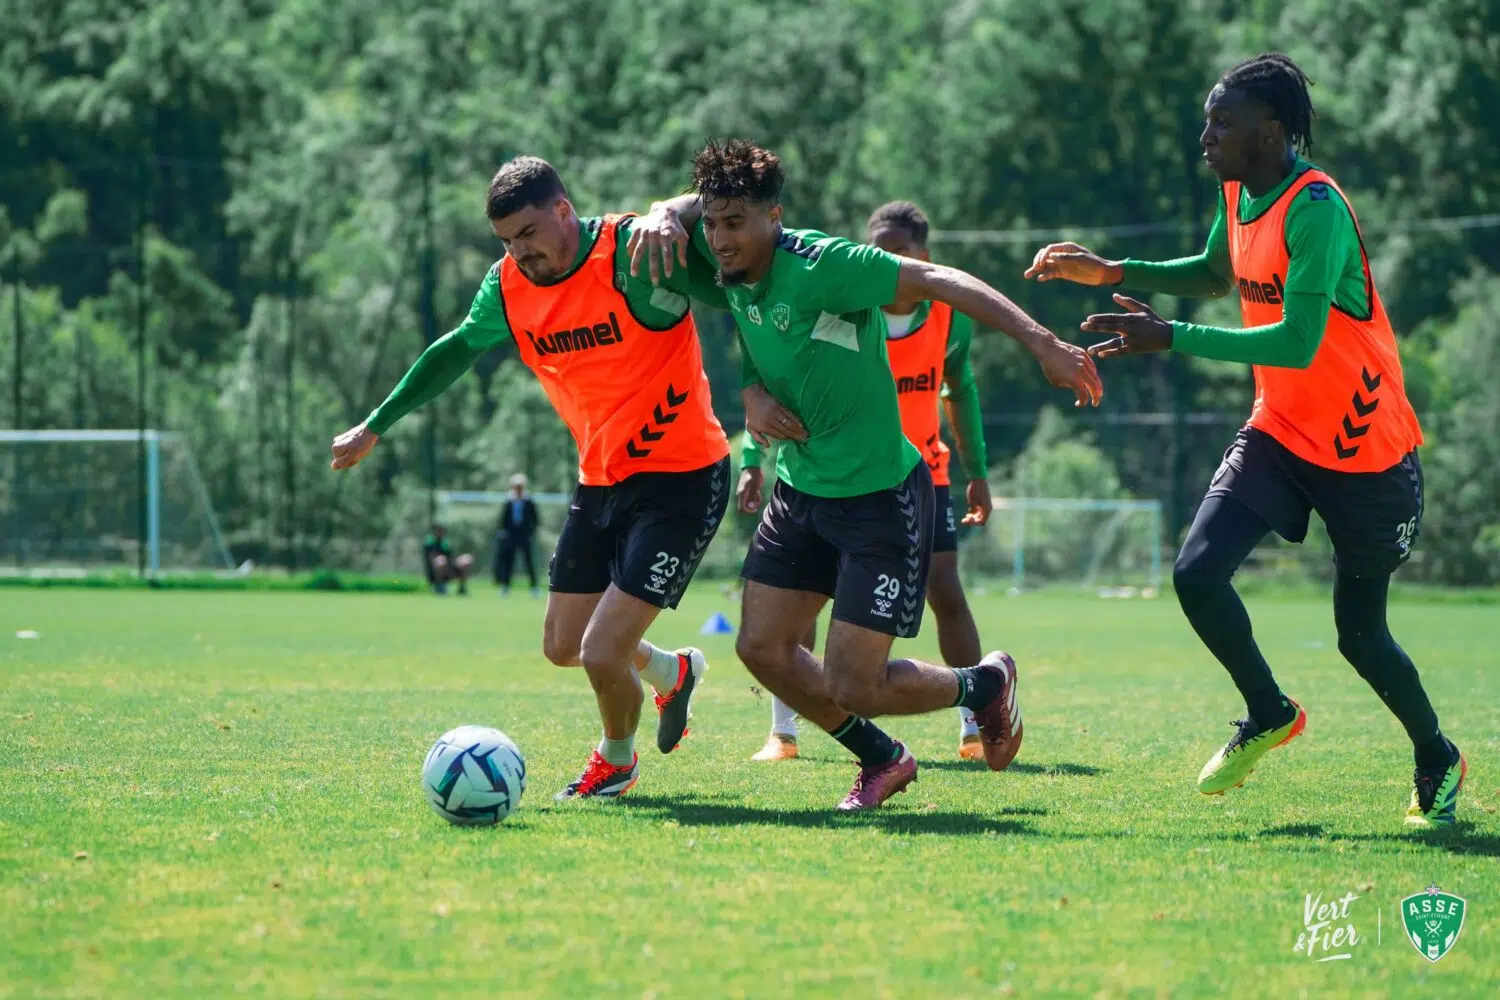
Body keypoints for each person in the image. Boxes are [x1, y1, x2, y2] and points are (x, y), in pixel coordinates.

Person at [1025, 53, 1464, 828]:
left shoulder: (1317, 206)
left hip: (1367, 450)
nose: (1206, 137)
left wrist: (1171, 339)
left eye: (1221, 124)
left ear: (1270, 132)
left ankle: (1436, 753)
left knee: (1361, 639)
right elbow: (1214, 271)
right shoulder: (1236, 190)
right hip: (1281, 431)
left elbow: (1296, 341)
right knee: (1197, 574)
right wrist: (1113, 270)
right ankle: (1268, 710)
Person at [631, 139, 1101, 810]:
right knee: (762, 648)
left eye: (735, 222)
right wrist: (750, 392)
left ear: (775, 217)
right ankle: (882, 758)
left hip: (878, 497)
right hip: (799, 491)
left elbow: (942, 282)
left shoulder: (827, 265)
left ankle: (985, 686)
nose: (718, 238)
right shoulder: (724, 261)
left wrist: (1043, 344)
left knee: (858, 684)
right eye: (710, 223)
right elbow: (742, 318)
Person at [332, 156, 733, 801]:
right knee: (563, 644)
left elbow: (733, 245)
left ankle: (617, 761)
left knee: (602, 652)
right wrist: (376, 424)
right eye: (506, 241)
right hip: (600, 479)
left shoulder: (633, 251)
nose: (519, 252)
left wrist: (670, 211)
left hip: (682, 476)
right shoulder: (507, 288)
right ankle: (671, 669)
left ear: (564, 212)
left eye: (527, 234)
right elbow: (457, 349)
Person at [740, 201, 996, 763]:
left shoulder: (947, 315)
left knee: (945, 592)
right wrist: (750, 458)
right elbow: (773, 369)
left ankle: (976, 718)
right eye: (877, 249)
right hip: (830, 475)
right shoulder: (842, 296)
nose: (885, 260)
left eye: (898, 252)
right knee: (795, 607)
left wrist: (977, 470)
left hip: (917, 473)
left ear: (922, 257)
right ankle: (783, 731)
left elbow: (961, 390)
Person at [494, 473, 540, 597]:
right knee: (508, 561)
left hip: (524, 535)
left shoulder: (529, 501)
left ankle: (534, 587)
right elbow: (503, 519)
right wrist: (504, 533)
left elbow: (535, 519)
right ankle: (505, 586)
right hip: (511, 535)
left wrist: (530, 533)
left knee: (528, 561)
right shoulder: (509, 501)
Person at [423, 524, 473, 596]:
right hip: (434, 572)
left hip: (449, 568)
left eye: (442, 530)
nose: (440, 532)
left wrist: (450, 569)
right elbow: (432, 559)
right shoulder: (429, 543)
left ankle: (462, 588)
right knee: (441, 560)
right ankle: (440, 587)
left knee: (467, 559)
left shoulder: (445, 543)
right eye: (438, 530)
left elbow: (451, 558)